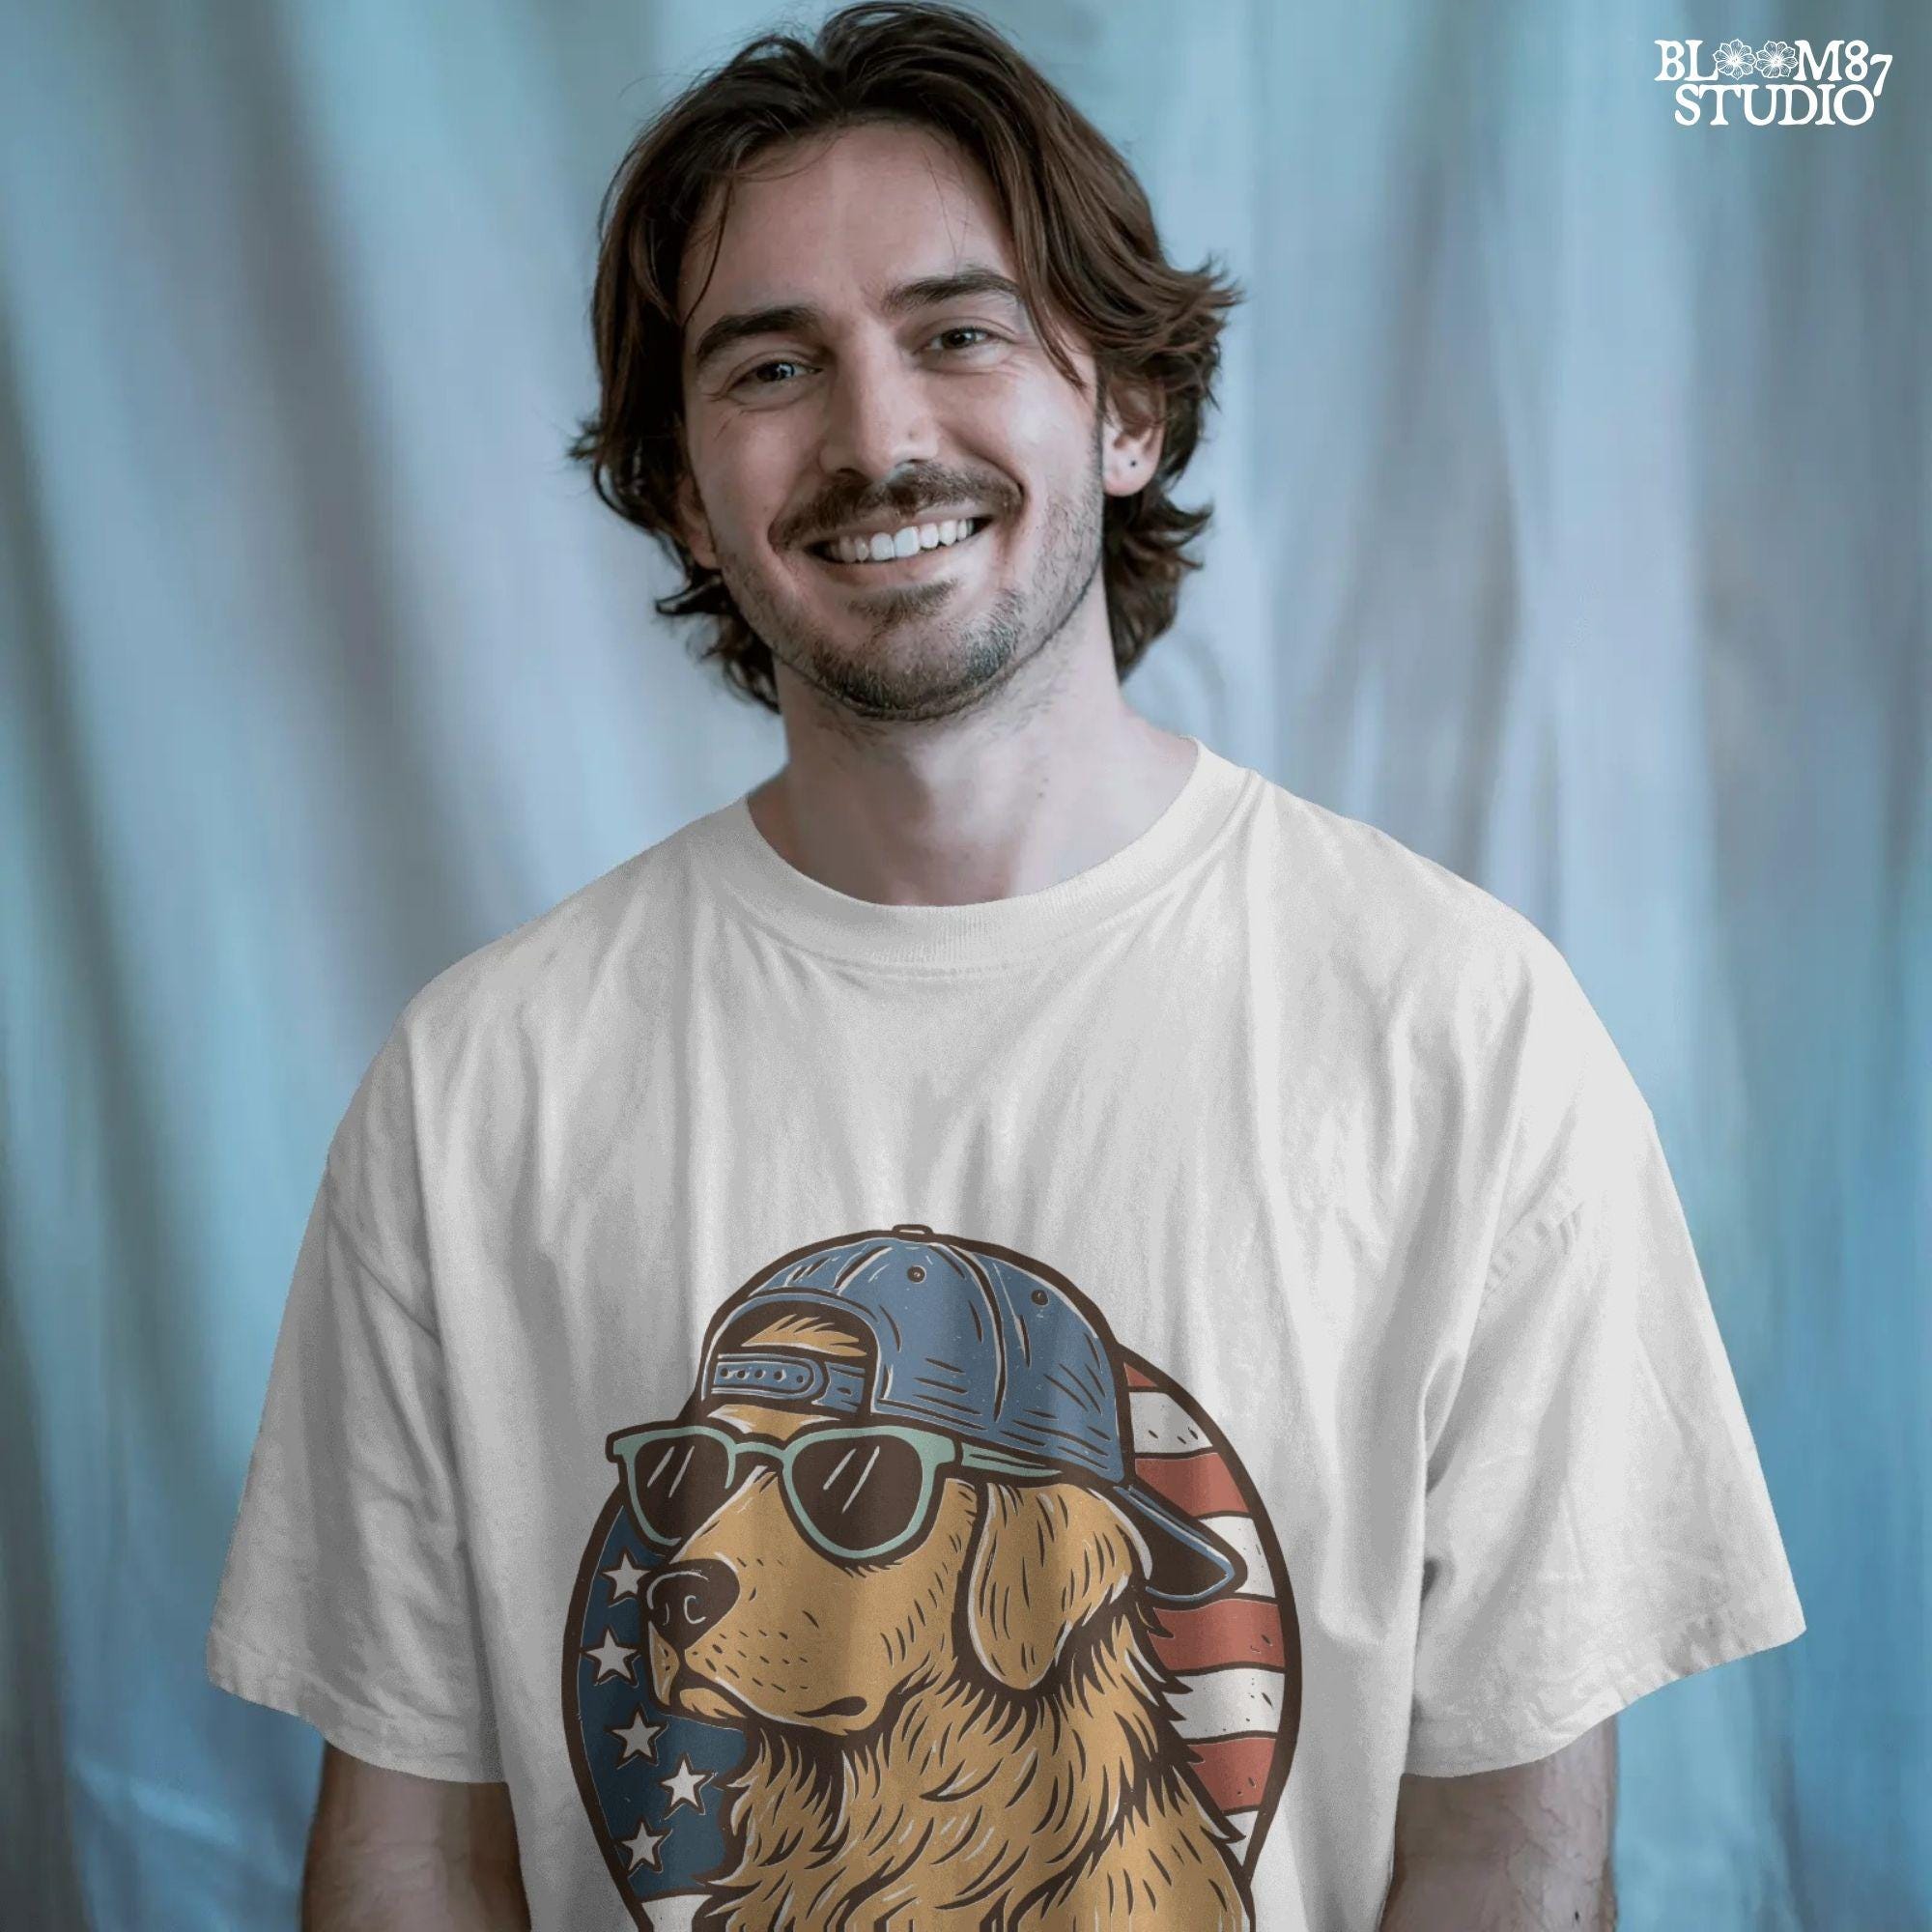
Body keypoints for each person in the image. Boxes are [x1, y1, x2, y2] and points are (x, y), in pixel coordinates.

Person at [206, 4, 1805, 1928]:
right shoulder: (480, 1084)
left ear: (1122, 410)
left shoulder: (1460, 1034)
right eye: (770, 365)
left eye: (957, 332)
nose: (878, 437)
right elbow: (410, 1845)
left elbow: (1508, 1848)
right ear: (687, 493)